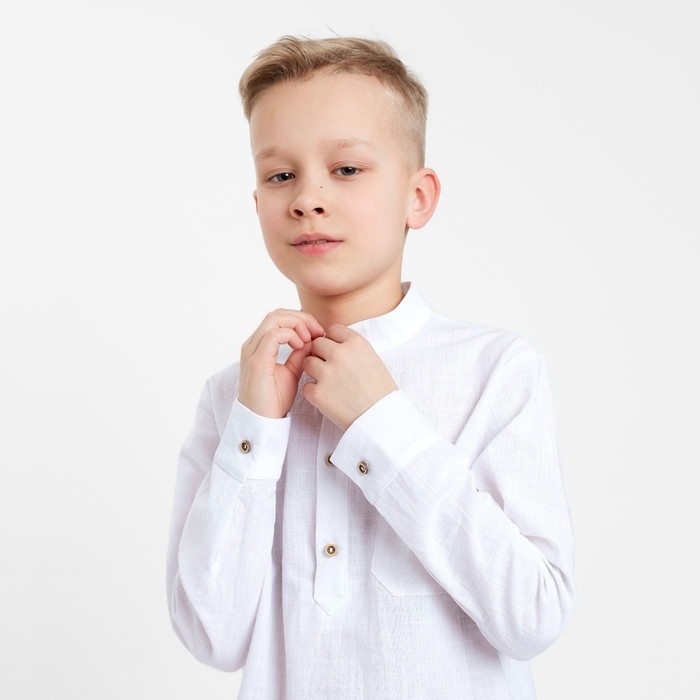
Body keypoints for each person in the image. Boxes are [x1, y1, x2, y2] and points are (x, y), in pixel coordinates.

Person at [166, 35, 575, 699]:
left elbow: (533, 613)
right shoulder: (233, 397)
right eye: (280, 175)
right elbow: (212, 635)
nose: (307, 198)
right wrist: (254, 429)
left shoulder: (497, 371)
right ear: (258, 204)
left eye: (347, 169)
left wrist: (383, 423)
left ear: (419, 197)